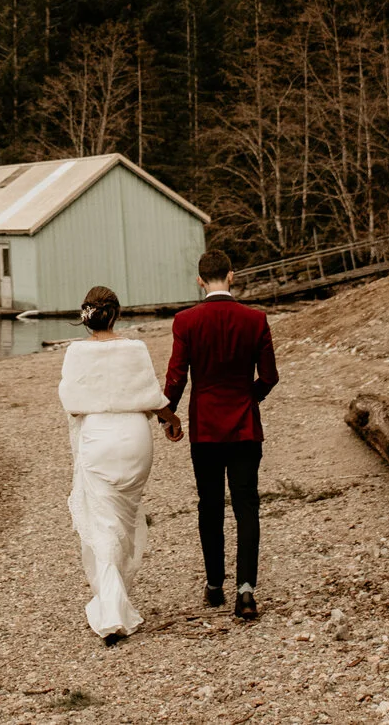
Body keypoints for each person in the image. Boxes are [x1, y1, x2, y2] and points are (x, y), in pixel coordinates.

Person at [159, 248, 277, 621]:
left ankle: (214, 586)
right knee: (246, 507)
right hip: (245, 426)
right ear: (231, 275)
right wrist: (248, 398)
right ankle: (246, 592)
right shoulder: (255, 320)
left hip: (205, 429)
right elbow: (270, 376)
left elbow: (177, 376)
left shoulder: (186, 321)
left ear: (199, 280)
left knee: (209, 507)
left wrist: (168, 416)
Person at [56, 284, 176, 645]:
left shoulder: (76, 352)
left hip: (99, 439)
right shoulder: (135, 348)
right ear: (117, 313)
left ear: (86, 317)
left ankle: (111, 610)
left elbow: (73, 405)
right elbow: (152, 397)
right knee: (123, 517)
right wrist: (173, 419)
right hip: (136, 439)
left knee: (105, 522)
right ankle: (116, 596)